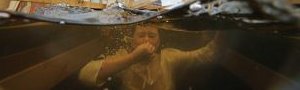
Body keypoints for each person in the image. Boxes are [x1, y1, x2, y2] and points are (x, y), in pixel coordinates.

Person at [79, 24, 226, 90]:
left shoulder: (168, 57)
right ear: (132, 40)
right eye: (141, 35)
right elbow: (85, 75)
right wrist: (133, 58)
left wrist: (224, 26)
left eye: (152, 36)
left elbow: (207, 54)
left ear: (159, 40)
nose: (147, 40)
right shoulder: (122, 56)